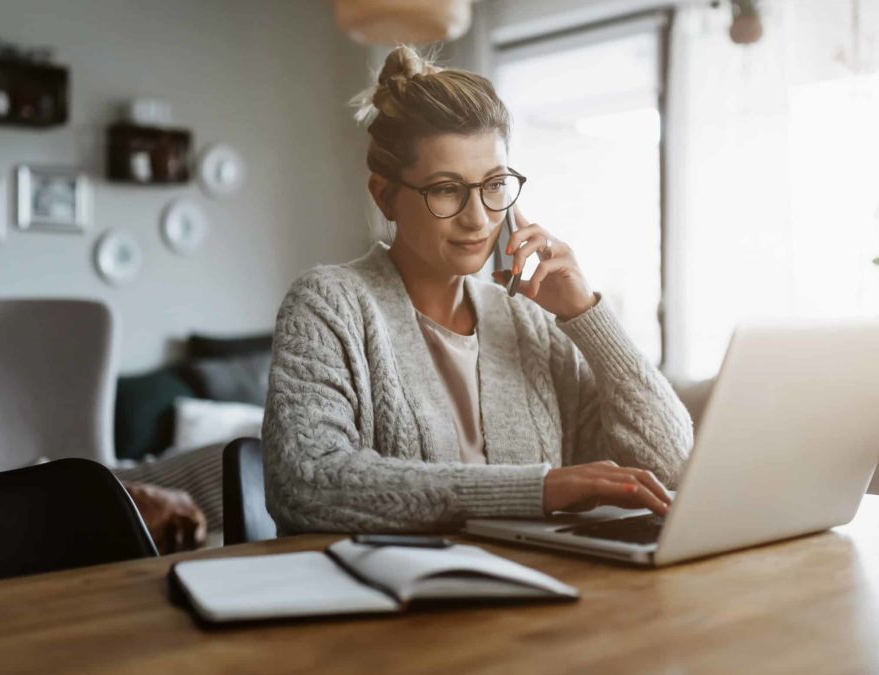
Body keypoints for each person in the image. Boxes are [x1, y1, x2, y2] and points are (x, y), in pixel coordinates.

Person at [262, 45, 693, 534]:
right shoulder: (327, 305)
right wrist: (539, 489)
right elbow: (305, 481)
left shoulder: (527, 321)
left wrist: (586, 315)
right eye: (447, 189)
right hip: (393, 599)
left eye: (494, 185)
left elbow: (672, 465)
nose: (479, 218)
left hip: (538, 587)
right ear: (386, 195)